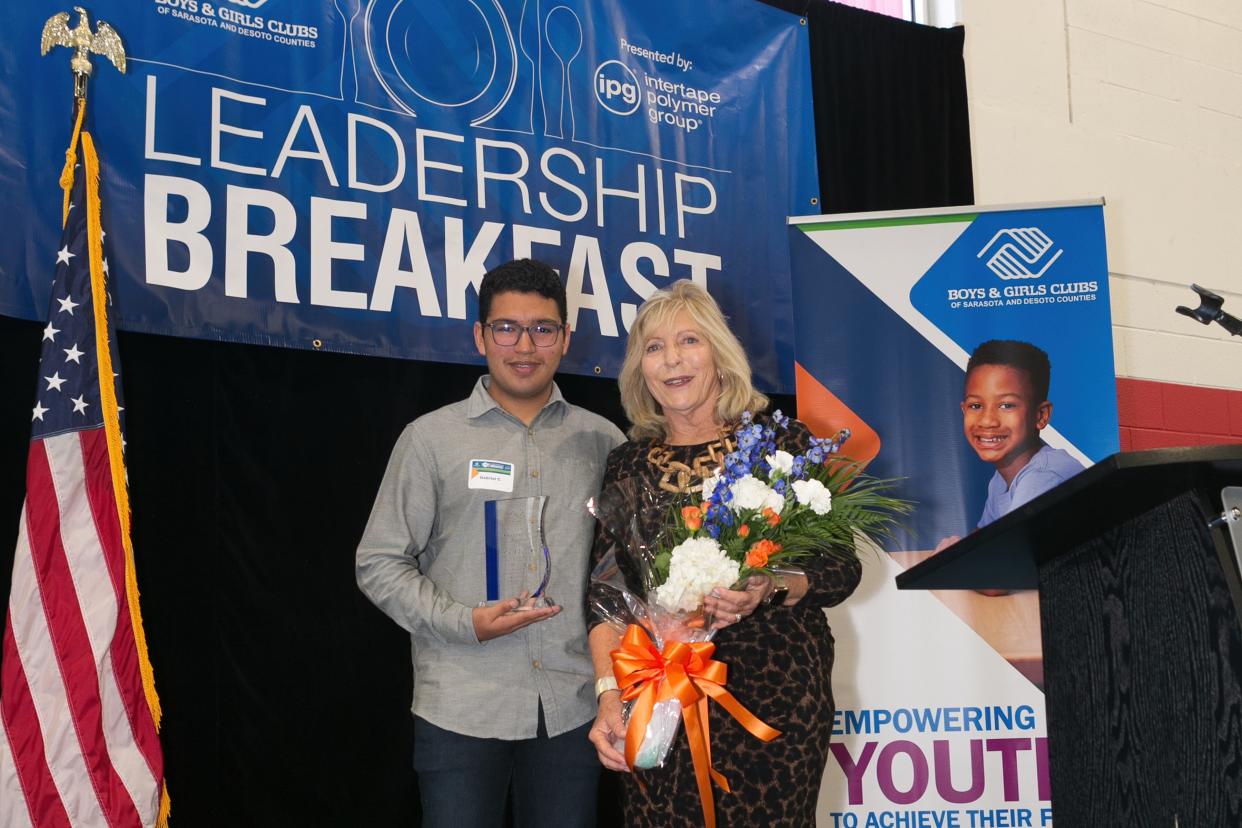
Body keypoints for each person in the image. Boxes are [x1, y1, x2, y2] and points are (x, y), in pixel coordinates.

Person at [356, 258, 624, 828]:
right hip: (460, 707)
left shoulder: (605, 442)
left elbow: (621, 574)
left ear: (565, 339)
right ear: (480, 336)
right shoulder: (430, 439)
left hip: (571, 709)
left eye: (542, 329)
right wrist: (465, 622)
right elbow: (379, 563)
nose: (524, 345)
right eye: (506, 327)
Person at [585, 279, 861, 826]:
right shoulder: (627, 465)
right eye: (654, 347)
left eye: (689, 340)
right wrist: (607, 695)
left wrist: (768, 585)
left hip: (774, 695)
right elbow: (604, 599)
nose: (672, 360)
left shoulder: (781, 447)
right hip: (660, 696)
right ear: (639, 368)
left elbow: (839, 569)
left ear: (719, 352)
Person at [961, 339, 1083, 529]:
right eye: (975, 406)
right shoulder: (1000, 480)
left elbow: (1007, 554)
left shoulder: (1043, 476)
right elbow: (981, 542)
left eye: (1006, 405)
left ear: (1040, 415)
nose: (987, 421)